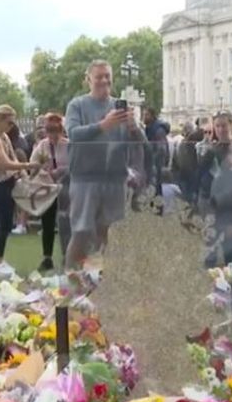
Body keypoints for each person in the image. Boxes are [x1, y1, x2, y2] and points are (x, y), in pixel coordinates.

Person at [64, 60, 148, 268]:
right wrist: (103, 125)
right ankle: (70, 279)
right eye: (98, 76)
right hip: (85, 179)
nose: (103, 80)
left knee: (109, 231)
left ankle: (103, 278)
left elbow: (143, 143)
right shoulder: (77, 105)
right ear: (88, 80)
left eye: (107, 76)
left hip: (115, 179)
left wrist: (134, 127)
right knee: (82, 232)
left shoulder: (121, 106)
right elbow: (73, 134)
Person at [0, 105, 41, 278]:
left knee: (7, 221)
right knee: (4, 221)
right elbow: (3, 163)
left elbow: (13, 159)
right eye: (9, 122)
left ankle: (0, 260)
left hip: (7, 181)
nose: (11, 126)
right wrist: (28, 165)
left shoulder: (4, 137)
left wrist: (24, 175)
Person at [30, 112, 70, 272]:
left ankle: (68, 255)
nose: (53, 135)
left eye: (56, 131)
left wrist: (61, 170)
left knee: (65, 223)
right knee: (47, 223)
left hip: (65, 188)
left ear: (61, 131)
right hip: (47, 188)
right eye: (50, 131)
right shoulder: (42, 146)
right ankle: (47, 257)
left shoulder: (68, 145)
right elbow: (33, 163)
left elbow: (76, 165)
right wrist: (42, 168)